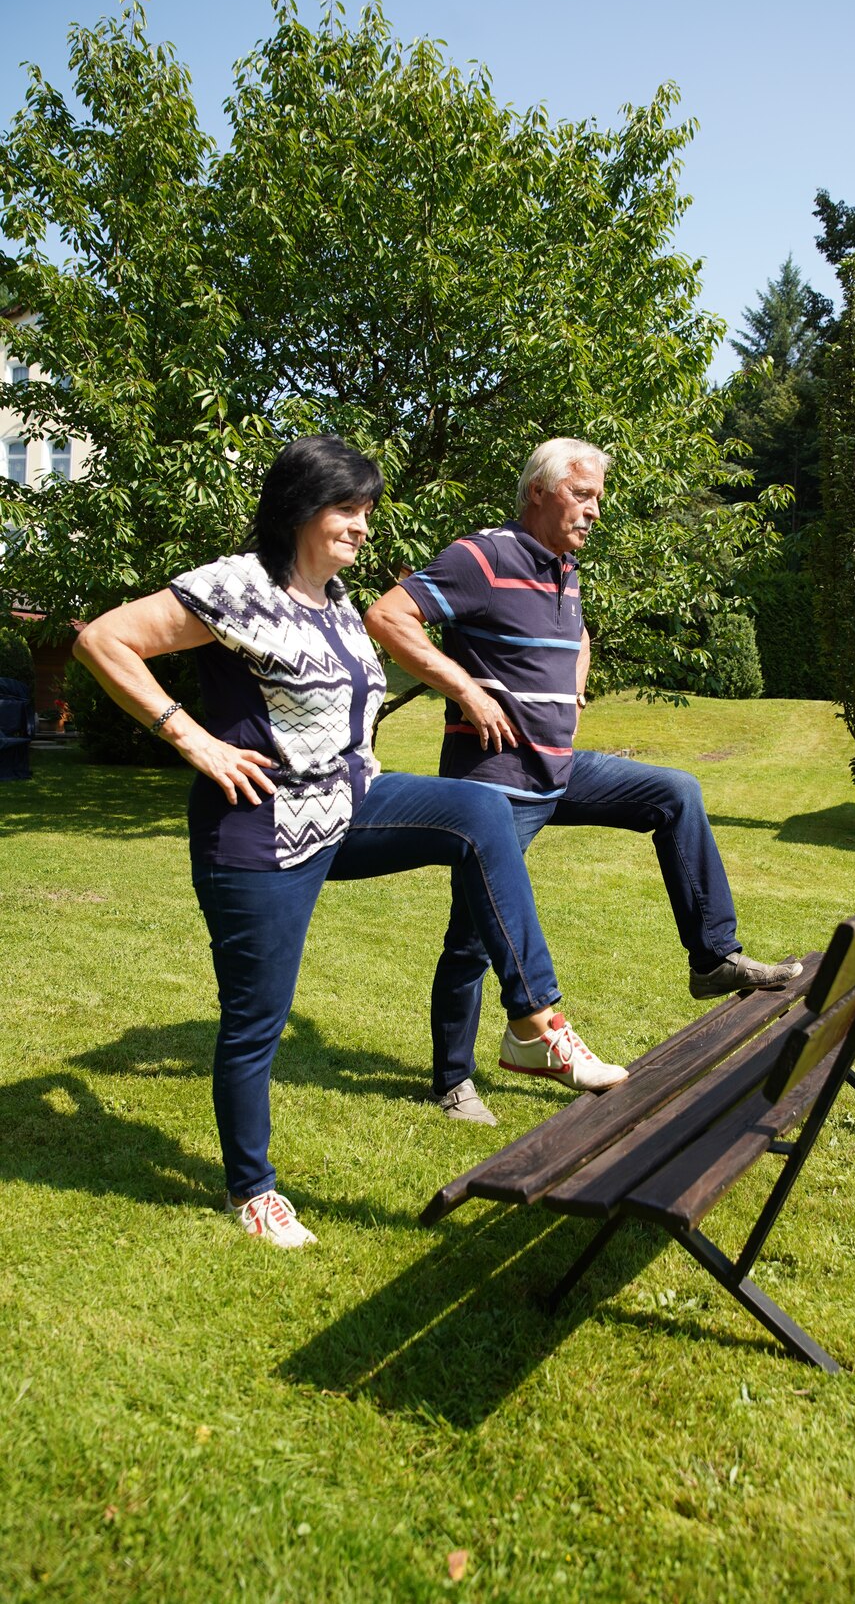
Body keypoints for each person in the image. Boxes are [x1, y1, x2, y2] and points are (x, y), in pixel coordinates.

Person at [73, 435, 626, 1249]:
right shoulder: (235, 585)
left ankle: (533, 1023)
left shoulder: (332, 598)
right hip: (258, 830)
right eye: (348, 509)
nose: (363, 527)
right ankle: (252, 1190)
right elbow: (103, 639)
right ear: (300, 507)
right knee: (256, 1018)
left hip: (350, 805)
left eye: (368, 512)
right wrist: (195, 741)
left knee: (478, 812)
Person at [365, 436, 802, 1127]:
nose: (594, 508)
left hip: (560, 769)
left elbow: (577, 633)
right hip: (495, 785)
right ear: (537, 490)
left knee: (674, 791)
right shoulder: (482, 556)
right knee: (474, 938)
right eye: (581, 492)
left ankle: (712, 955)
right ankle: (452, 1080)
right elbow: (388, 616)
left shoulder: (564, 568)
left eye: (598, 496)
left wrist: (573, 690)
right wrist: (468, 693)